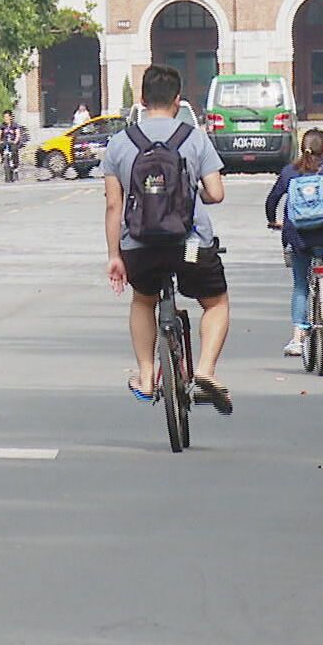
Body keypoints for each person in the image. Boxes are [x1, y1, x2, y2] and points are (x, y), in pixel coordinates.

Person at [103, 64, 233, 414]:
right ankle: (204, 370)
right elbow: (216, 193)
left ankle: (146, 377)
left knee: (143, 300)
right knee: (215, 302)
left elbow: (114, 204)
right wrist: (195, 194)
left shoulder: (119, 143)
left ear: (142, 99)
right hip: (189, 244)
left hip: (139, 248)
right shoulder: (194, 137)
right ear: (178, 100)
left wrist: (115, 254)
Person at [265, 129, 323, 357]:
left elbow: (272, 200)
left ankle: (297, 338)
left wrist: (273, 221)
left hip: (299, 238)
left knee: (301, 285)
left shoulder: (289, 172)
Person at [0, 110, 26, 178]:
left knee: (14, 150)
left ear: (10, 117)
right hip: (5, 142)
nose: (6, 118)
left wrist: (15, 141)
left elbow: (18, 134)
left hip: (12, 142)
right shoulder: (2, 125)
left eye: (7, 117)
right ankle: (3, 157)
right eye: (4, 117)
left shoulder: (14, 125)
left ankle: (15, 167)